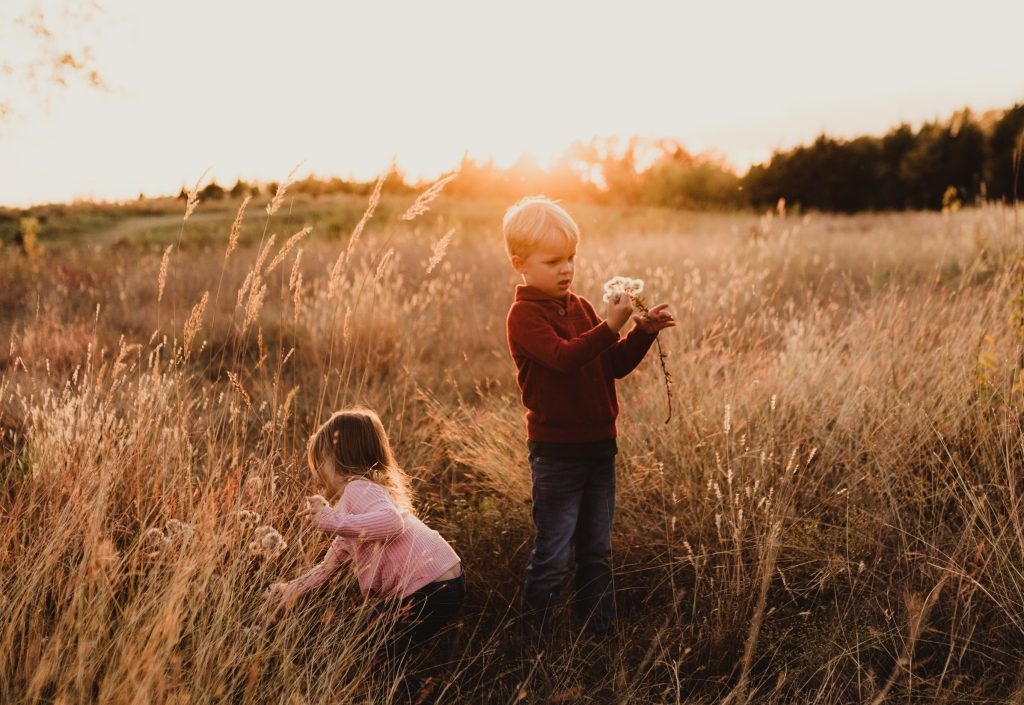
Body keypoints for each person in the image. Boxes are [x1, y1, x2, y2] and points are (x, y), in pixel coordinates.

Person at [503, 196, 675, 640]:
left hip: (600, 449)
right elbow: (564, 359)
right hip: (557, 456)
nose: (566, 269)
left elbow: (610, 364)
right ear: (520, 263)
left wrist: (641, 333)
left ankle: (598, 636)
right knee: (553, 557)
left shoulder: (579, 306)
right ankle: (530, 640)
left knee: (596, 552)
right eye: (553, 260)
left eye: (571, 258)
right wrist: (610, 325)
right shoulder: (523, 315)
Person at [266, 407, 464, 703]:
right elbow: (327, 567)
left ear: (340, 459)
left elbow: (392, 523)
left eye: (319, 461)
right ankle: (421, 691)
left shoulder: (357, 490)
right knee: (382, 649)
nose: (317, 472)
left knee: (375, 651)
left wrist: (331, 520)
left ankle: (425, 696)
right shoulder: (357, 506)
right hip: (442, 581)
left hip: (430, 586)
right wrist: (290, 589)